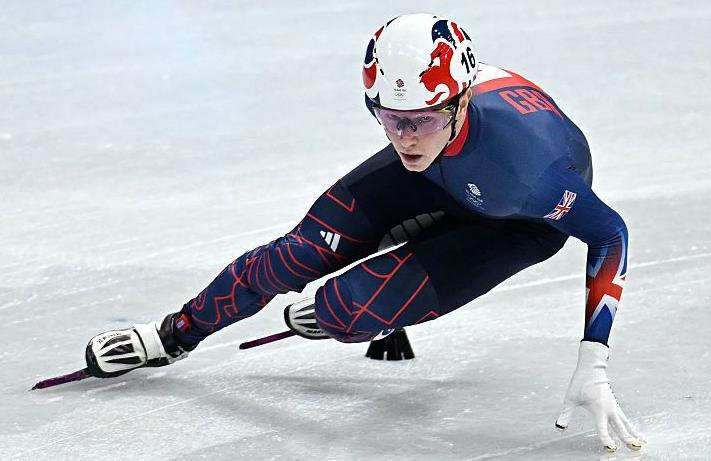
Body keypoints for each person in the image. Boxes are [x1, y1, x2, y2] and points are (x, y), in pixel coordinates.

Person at [84, 13, 643, 452]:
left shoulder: (529, 171)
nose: (404, 136)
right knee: (292, 257)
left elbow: (610, 233)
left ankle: (345, 311)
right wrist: (420, 128)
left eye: (420, 119)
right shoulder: (423, 120)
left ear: (462, 100)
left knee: (347, 309)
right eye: (388, 117)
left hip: (513, 219)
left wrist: (593, 361)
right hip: (448, 173)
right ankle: (174, 333)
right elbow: (417, 126)